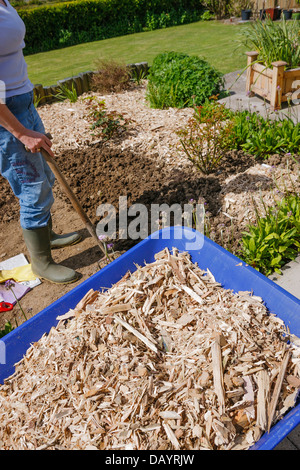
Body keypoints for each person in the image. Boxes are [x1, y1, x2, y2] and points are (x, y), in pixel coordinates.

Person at [0, 0, 81, 284]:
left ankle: (48, 238)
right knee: (33, 189)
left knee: (44, 175)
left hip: (23, 104)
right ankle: (41, 263)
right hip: (6, 120)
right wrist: (21, 132)